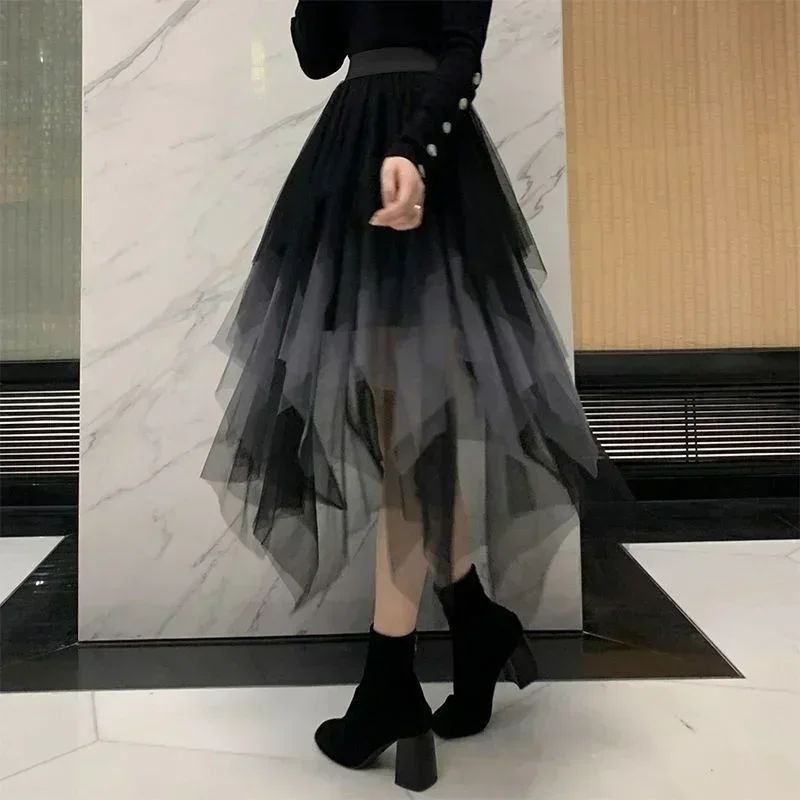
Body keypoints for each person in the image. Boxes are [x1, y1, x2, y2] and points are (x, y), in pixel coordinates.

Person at [203, 0, 607, 792]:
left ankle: (391, 678)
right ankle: (476, 623)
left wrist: (415, 150)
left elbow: (462, 51)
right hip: (354, 161)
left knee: (413, 429)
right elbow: (317, 54)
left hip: (429, 168)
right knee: (406, 427)